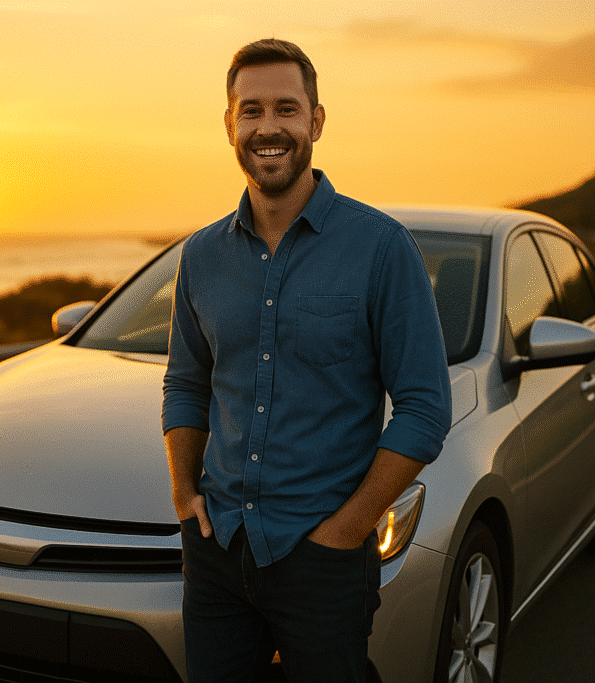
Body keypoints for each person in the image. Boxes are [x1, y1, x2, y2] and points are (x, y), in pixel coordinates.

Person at [162, 39, 452, 683]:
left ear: (316, 122)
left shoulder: (381, 248)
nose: (269, 128)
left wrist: (349, 529)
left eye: (287, 109)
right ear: (230, 125)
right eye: (251, 110)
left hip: (324, 558)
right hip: (218, 552)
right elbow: (186, 383)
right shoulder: (202, 256)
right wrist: (185, 493)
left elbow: (426, 409)